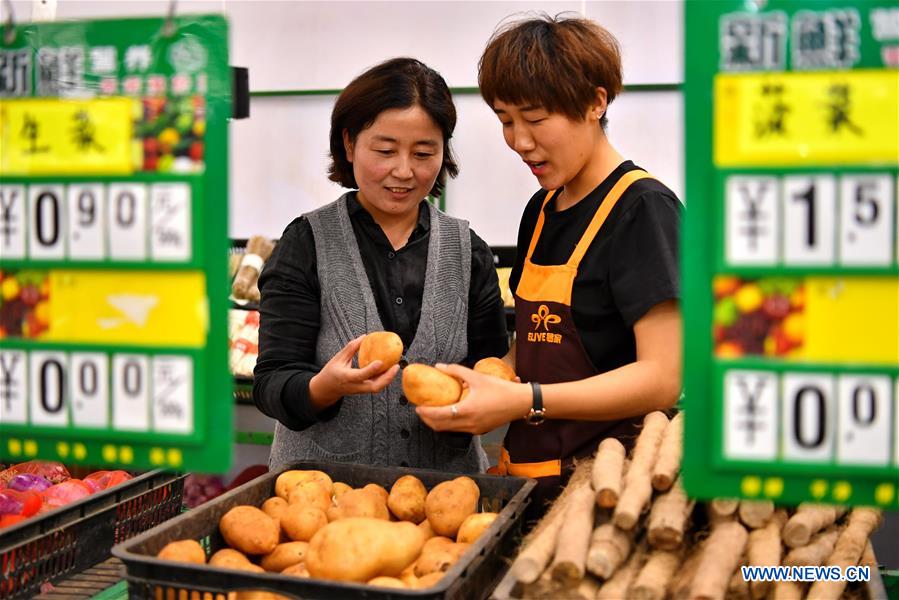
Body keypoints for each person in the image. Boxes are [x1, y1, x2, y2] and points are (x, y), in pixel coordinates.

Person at [416, 15, 682, 511]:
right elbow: (537, 343)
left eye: (535, 119)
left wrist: (527, 400)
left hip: (609, 491)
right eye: (504, 120)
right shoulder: (540, 211)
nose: (519, 140)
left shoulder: (643, 210)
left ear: (595, 103)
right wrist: (488, 383)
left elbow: (662, 377)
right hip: (528, 480)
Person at [254, 57, 508, 473]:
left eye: (424, 152)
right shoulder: (306, 243)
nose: (404, 171)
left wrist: (475, 404)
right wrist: (322, 389)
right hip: (321, 501)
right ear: (350, 143)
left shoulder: (469, 252)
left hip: (445, 502)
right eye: (385, 150)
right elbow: (271, 382)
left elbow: (491, 367)